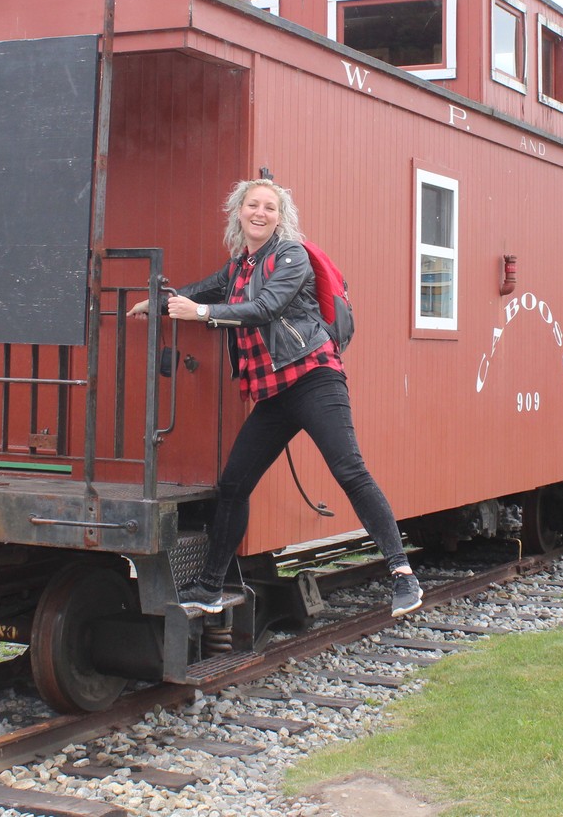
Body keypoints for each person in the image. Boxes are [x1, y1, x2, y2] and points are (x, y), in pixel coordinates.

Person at [128, 178, 422, 618]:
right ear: (239, 212)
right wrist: (159, 302)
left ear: (279, 217)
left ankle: (403, 575)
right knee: (234, 485)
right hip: (275, 393)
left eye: (269, 207)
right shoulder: (239, 266)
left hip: (313, 378)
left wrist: (202, 314)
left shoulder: (291, 256)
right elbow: (204, 288)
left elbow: (266, 308)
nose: (259, 213)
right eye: (252, 205)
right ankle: (210, 587)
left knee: (349, 470)